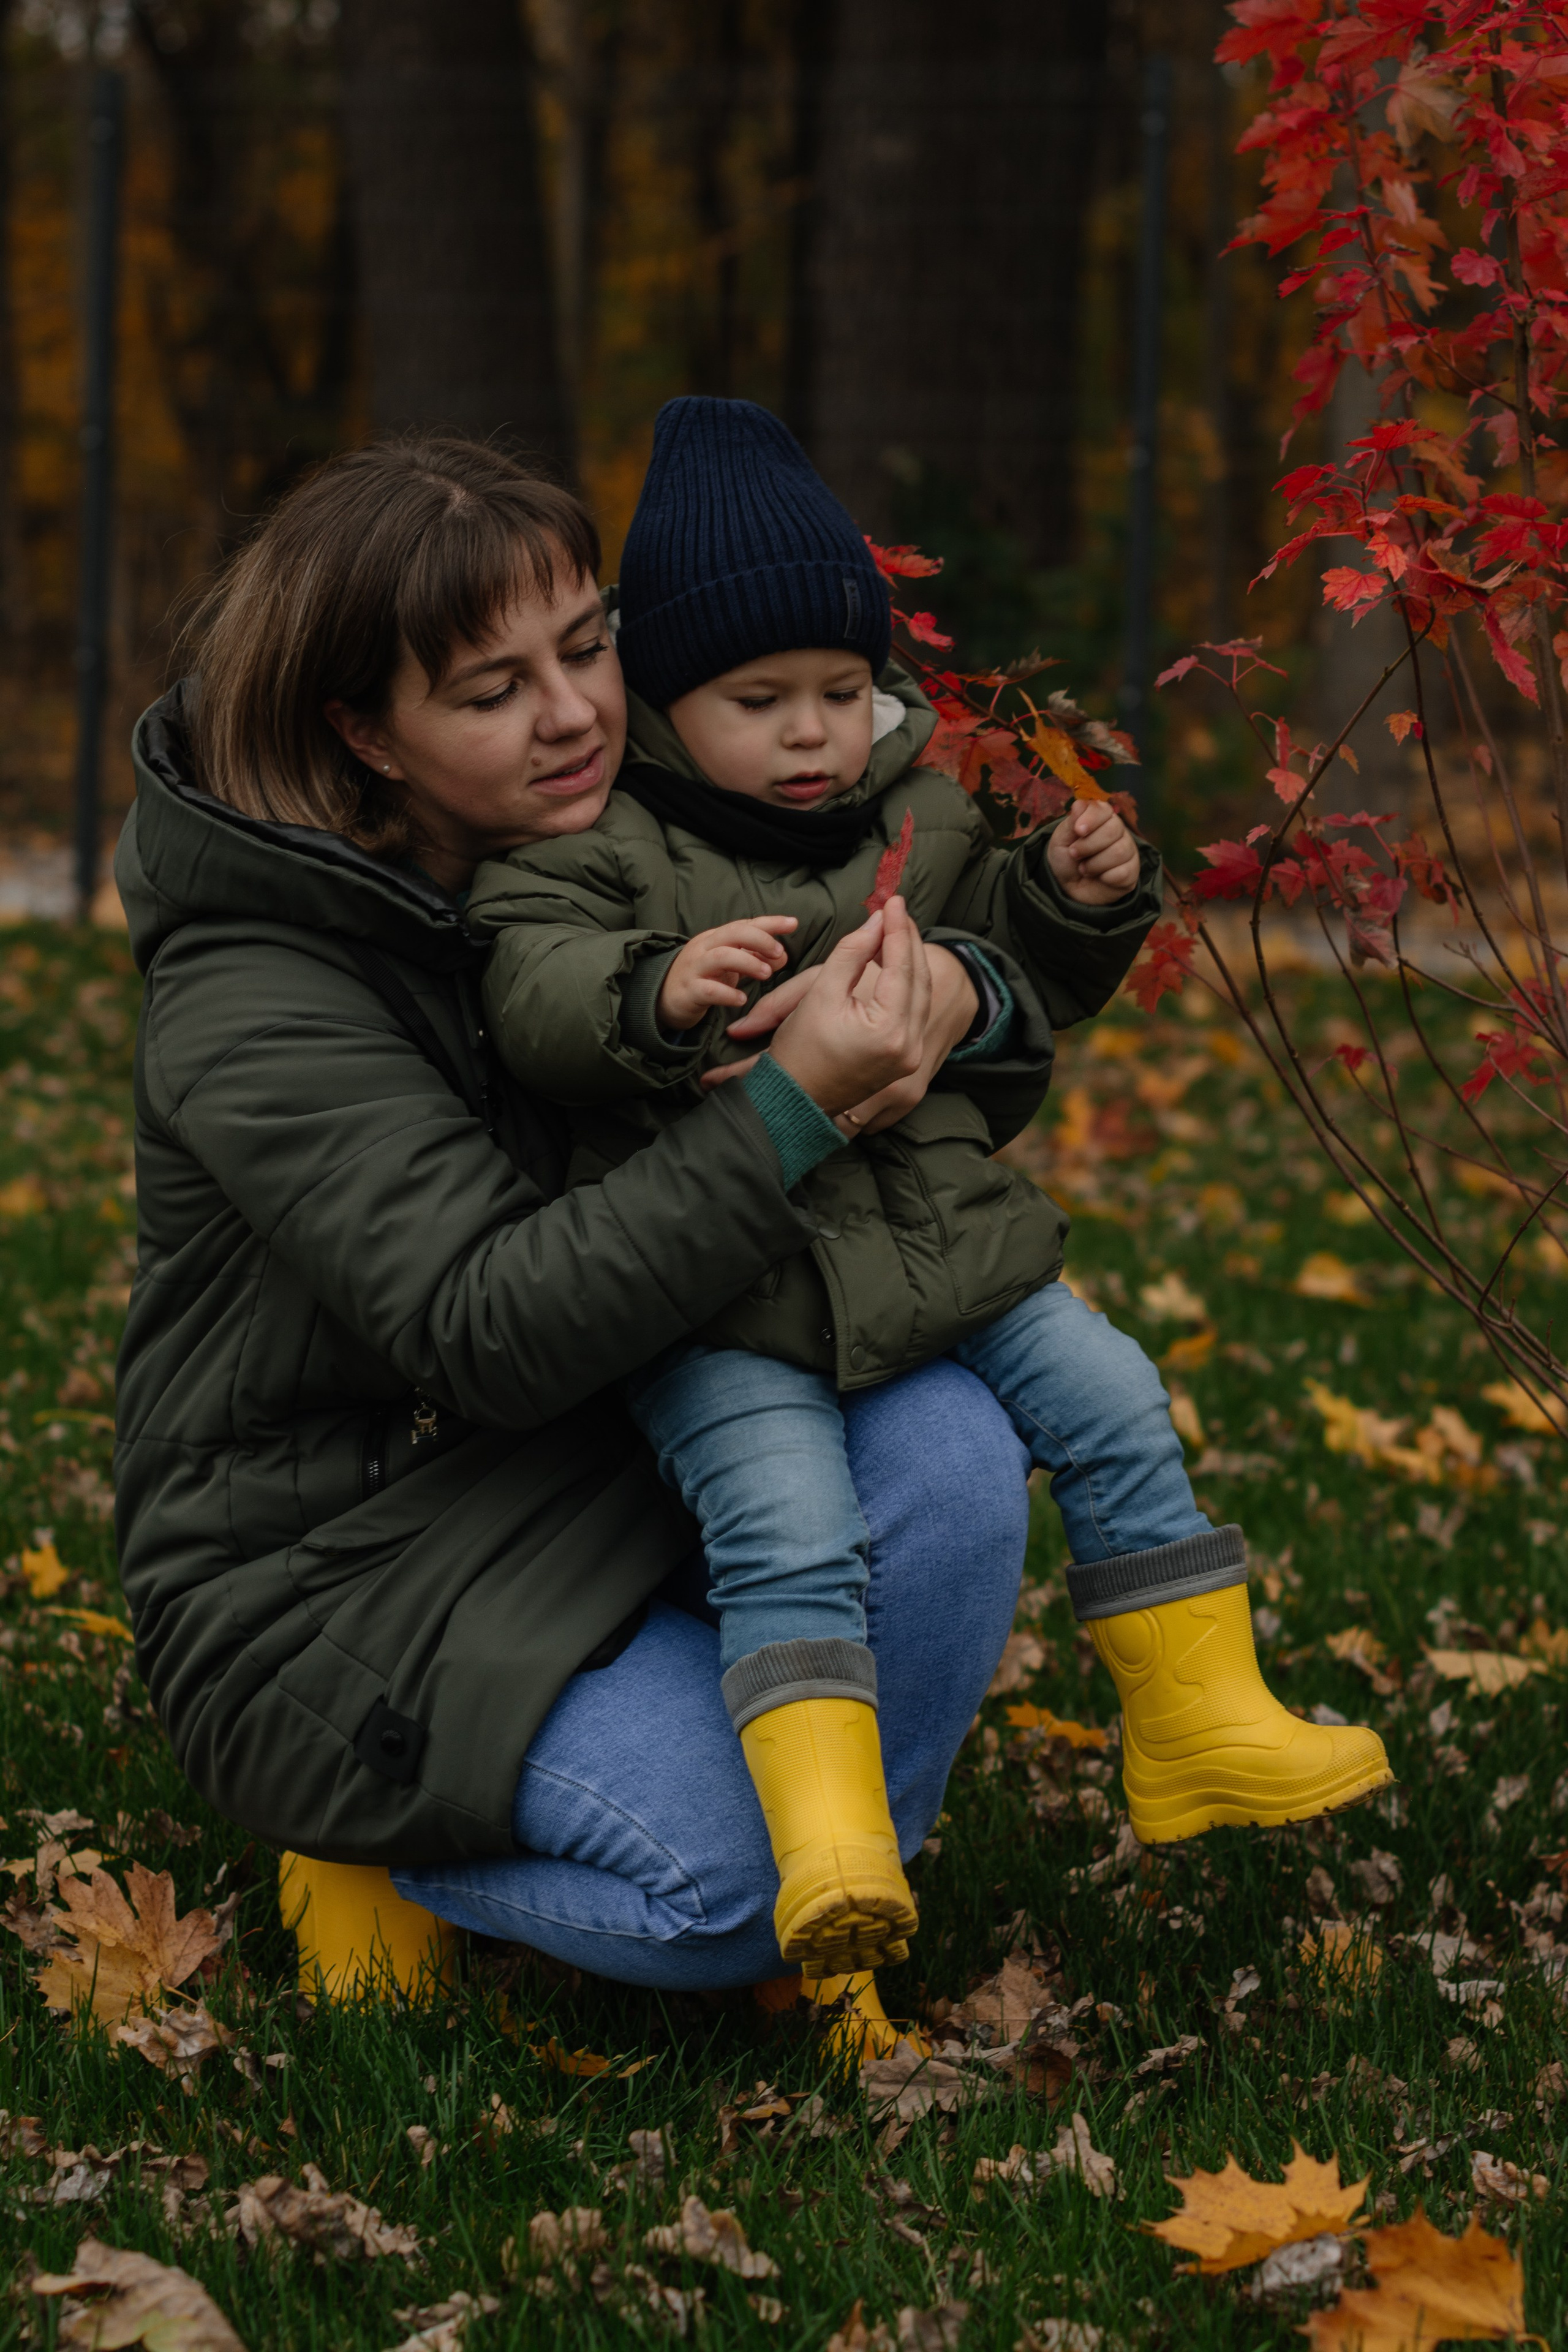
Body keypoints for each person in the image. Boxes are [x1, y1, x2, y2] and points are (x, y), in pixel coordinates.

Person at [112, 435, 1055, 2053]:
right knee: (736, 1890)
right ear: (364, 732)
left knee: (952, 1445)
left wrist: (962, 1004)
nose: (573, 715)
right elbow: (488, 1326)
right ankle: (377, 1846)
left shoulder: (619, 835)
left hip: (602, 1449)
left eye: (586, 647)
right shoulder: (258, 995)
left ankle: (843, 1875)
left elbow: (934, 1076)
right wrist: (794, 1110)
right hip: (342, 1576)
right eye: (493, 690)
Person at [466, 398, 1393, 2017]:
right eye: (761, 702)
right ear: (666, 701)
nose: (814, 735)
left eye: (842, 691)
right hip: (727, 1298)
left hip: (945, 1241)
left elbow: (1017, 970)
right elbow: (533, 984)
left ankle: (1197, 1717)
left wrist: (1073, 901)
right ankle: (828, 1838)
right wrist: (653, 990)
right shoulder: (599, 843)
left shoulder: (929, 807)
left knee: (1115, 1396)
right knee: (787, 1524)